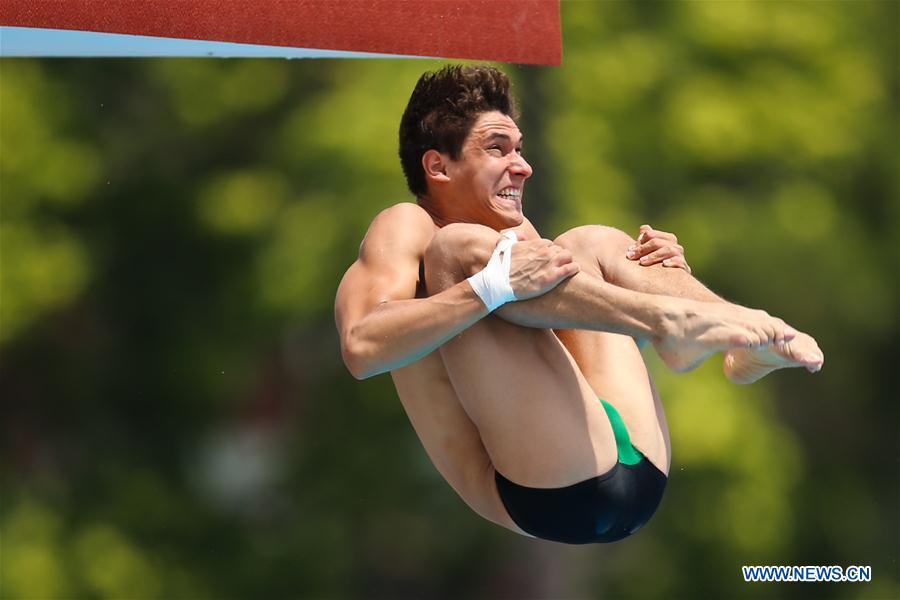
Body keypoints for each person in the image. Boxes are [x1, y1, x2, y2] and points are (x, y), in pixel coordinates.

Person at [334, 65, 823, 544]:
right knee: (464, 251)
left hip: (635, 462)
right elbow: (361, 347)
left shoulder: (515, 239)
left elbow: (564, 361)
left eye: (520, 150)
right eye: (496, 149)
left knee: (589, 241)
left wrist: (662, 278)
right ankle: (670, 322)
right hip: (543, 492)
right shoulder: (407, 226)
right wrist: (488, 287)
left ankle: (726, 337)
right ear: (438, 166)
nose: (522, 166)